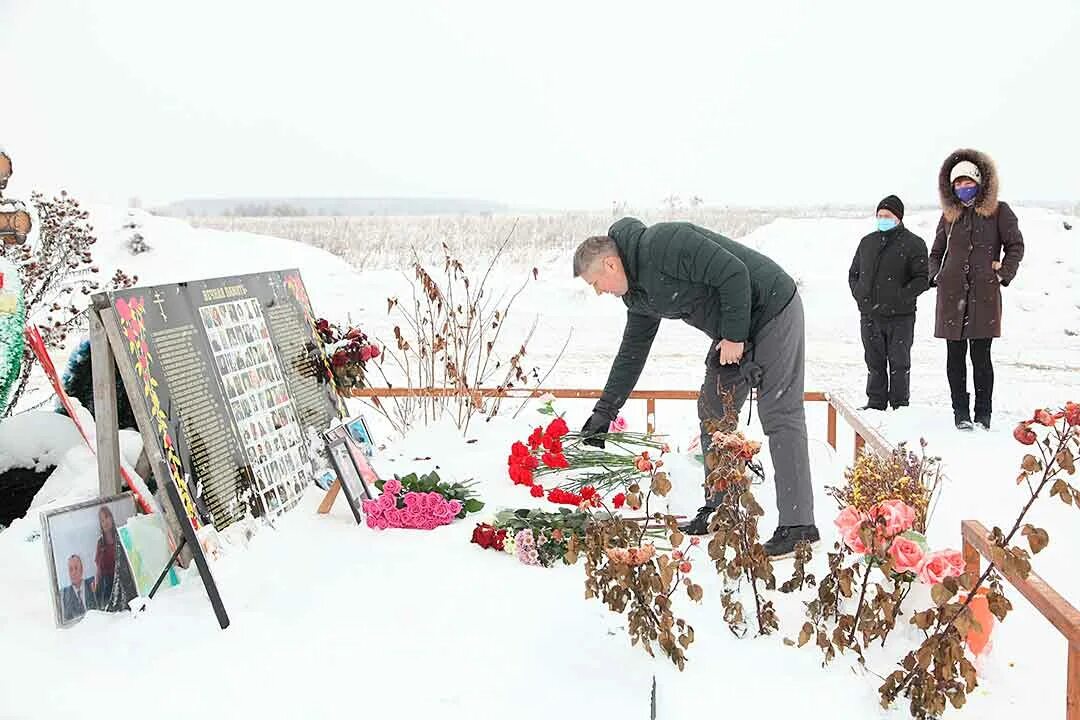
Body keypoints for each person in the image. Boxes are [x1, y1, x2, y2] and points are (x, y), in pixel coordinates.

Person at [573, 217, 818, 557]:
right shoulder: (638, 296)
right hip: (735, 327)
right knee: (713, 409)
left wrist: (734, 336)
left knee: (779, 411)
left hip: (772, 306)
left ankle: (799, 527)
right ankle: (721, 508)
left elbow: (734, 274)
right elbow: (632, 351)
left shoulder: (664, 243)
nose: (599, 291)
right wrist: (605, 411)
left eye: (596, 282)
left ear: (611, 264)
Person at [929, 149, 1025, 430]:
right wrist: (937, 276)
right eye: (957, 183)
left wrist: (1003, 272)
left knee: (981, 357)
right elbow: (935, 252)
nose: (962, 187)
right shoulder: (949, 216)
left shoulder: (999, 212)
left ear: (980, 182)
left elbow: (1015, 246)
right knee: (954, 357)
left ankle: (983, 414)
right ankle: (961, 413)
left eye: (967, 182)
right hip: (951, 296)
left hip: (983, 296)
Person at [848, 195, 929, 410]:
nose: (882, 219)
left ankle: (899, 404)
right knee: (874, 362)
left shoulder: (914, 243)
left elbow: (922, 279)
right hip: (869, 315)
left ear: (899, 218)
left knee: (899, 363)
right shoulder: (867, 242)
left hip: (900, 317)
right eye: (880, 215)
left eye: (887, 216)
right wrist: (860, 295)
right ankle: (875, 402)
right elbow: (854, 273)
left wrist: (899, 297)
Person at [91, 505, 137, 611]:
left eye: (107, 517)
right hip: (107, 586)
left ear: (111, 518)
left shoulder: (121, 536)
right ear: (100, 524)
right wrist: (96, 586)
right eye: (102, 520)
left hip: (123, 583)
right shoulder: (100, 543)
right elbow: (98, 568)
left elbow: (131, 560)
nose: (105, 522)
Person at [60, 554, 96, 623]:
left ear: (82, 570)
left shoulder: (92, 584)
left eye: (76, 568)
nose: (73, 573)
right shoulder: (64, 595)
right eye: (70, 570)